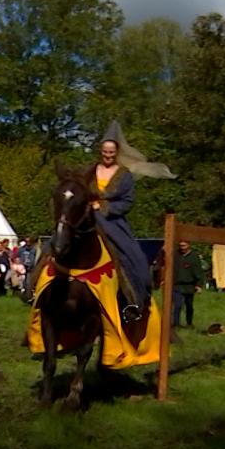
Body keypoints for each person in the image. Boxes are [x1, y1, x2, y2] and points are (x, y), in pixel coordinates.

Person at [90, 138, 153, 325]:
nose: (107, 155)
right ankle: (33, 288)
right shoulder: (89, 170)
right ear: (100, 151)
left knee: (131, 256)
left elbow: (127, 202)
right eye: (105, 151)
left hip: (111, 222)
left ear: (116, 153)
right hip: (85, 216)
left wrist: (103, 206)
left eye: (111, 152)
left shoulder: (125, 175)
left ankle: (134, 301)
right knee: (56, 242)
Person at [172, 240, 204, 328]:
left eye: (184, 246)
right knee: (177, 305)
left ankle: (189, 323)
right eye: (181, 246)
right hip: (177, 284)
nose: (182, 248)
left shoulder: (194, 257)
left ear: (189, 245)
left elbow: (199, 272)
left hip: (190, 285)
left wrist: (199, 285)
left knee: (189, 305)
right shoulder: (176, 255)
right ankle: (176, 324)